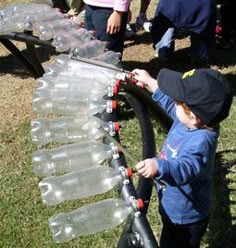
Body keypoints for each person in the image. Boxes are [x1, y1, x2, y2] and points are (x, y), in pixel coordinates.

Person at [132, 67, 233, 248]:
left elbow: (186, 167)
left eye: (178, 101)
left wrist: (160, 167)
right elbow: (170, 105)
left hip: (185, 218)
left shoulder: (201, 142)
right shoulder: (192, 121)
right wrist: (150, 82)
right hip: (173, 206)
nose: (174, 102)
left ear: (193, 116)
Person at [151, 0, 217, 65]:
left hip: (198, 11)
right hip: (175, 10)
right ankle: (199, 55)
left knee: (163, 54)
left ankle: (199, 55)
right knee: (163, 54)